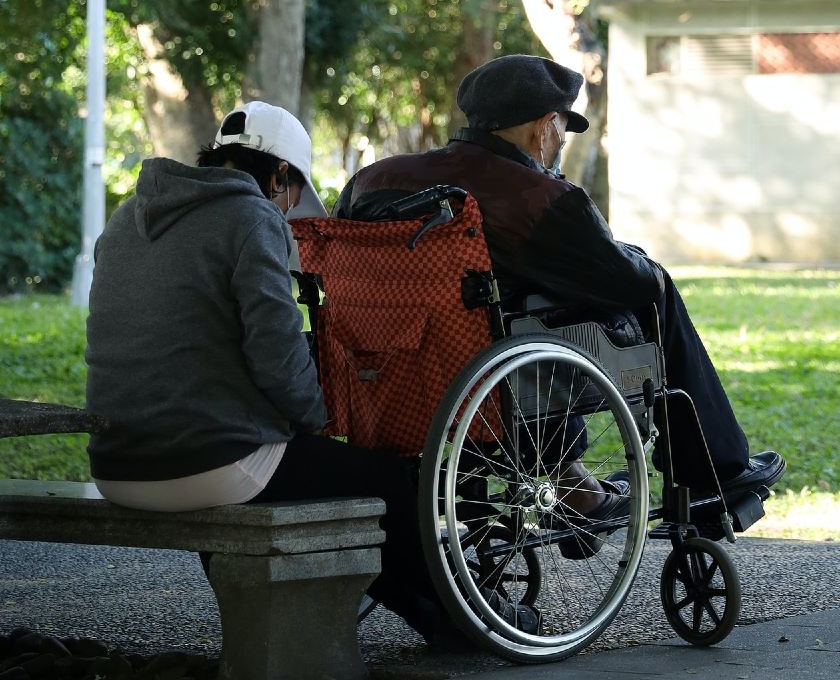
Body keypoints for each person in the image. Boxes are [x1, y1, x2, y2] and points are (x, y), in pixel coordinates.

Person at [84, 100, 529, 646]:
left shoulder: (126, 217)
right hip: (207, 463)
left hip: (116, 465)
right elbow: (275, 354)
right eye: (293, 189)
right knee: (389, 482)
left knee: (323, 477)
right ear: (278, 174)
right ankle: (467, 621)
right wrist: (318, 417)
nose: (291, 204)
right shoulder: (252, 217)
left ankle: (434, 618)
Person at [334, 55, 786, 540]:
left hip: (387, 372)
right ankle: (714, 469)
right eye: (562, 135)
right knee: (656, 291)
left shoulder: (372, 180)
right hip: (494, 377)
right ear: (546, 128)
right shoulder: (538, 195)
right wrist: (639, 261)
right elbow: (626, 282)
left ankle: (580, 488)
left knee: (516, 333)